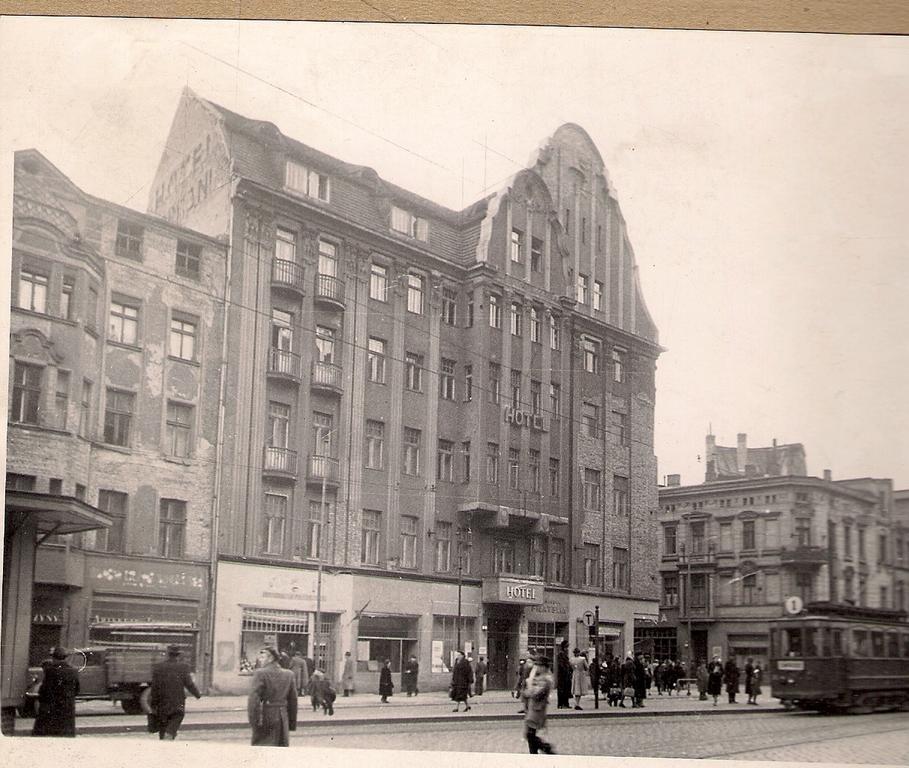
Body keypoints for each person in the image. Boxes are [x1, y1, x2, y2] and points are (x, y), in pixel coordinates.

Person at [149, 644, 202, 741]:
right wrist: (197, 695)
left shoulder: (158, 667)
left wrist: (153, 705)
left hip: (162, 704)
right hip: (177, 703)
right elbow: (189, 684)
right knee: (174, 723)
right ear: (178, 655)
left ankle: (165, 745)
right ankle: (168, 738)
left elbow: (154, 688)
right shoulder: (183, 667)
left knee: (163, 728)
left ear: (167, 654)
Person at [247, 647, 298, 746]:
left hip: (266, 716)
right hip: (283, 718)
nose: (260, 660)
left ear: (270, 659)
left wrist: (254, 722)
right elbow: (293, 701)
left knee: (262, 749)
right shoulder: (289, 674)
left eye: (262, 657)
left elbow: (253, 700)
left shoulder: (260, 673)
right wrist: (291, 724)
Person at [32, 646, 79, 737]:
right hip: (67, 709)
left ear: (54, 658)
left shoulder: (51, 671)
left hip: (52, 710)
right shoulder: (73, 671)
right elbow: (77, 690)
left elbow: (44, 691)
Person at [522, 654, 555, 755]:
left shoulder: (546, 679)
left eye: (539, 666)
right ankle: (536, 755)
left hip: (538, 710)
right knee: (530, 736)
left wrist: (529, 685)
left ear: (544, 667)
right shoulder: (540, 678)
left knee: (530, 735)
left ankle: (546, 748)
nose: (537, 668)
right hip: (534, 709)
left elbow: (535, 693)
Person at [556, 640, 572, 709]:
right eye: (566, 646)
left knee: (566, 689)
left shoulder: (564, 654)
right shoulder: (561, 654)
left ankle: (565, 703)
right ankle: (561, 704)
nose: (567, 648)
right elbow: (561, 664)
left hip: (566, 675)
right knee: (562, 689)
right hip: (562, 675)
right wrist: (566, 670)